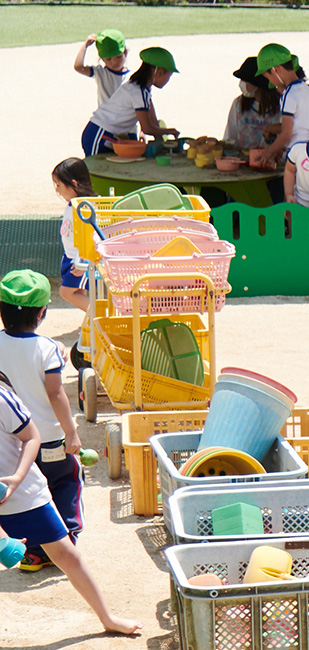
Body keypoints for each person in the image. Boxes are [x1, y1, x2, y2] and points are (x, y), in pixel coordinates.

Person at [0, 372, 142, 635]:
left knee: (67, 555)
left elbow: (32, 437)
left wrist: (18, 477)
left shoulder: (2, 398)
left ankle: (107, 617)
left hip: (24, 494)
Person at [0, 269, 86, 575]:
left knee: (31, 493)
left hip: (15, 441)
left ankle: (34, 553)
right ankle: (66, 543)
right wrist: (71, 433)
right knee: (66, 483)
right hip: (49, 438)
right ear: (43, 312)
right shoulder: (47, 349)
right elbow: (55, 393)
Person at [80, 46, 178, 157]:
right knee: (95, 170)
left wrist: (161, 143)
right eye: (168, 76)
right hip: (99, 134)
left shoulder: (140, 89)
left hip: (105, 134)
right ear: (159, 72)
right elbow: (147, 128)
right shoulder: (138, 92)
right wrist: (170, 132)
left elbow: (153, 122)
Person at [251, 44, 309, 170]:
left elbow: (286, 134)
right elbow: (298, 126)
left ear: (276, 70)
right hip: (308, 153)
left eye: (267, 76)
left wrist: (268, 151)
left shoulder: (289, 94)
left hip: (296, 155)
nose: (271, 83)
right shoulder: (304, 90)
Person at [49, 160, 95, 314]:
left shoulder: (85, 207)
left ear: (73, 184)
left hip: (81, 260)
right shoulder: (74, 204)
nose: (57, 189)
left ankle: (101, 314)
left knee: (67, 292)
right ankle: (91, 319)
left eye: (59, 185)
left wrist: (83, 261)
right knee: (79, 292)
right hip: (71, 257)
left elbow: (93, 237)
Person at [225, 57, 282, 152]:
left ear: (258, 84)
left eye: (246, 80)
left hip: (272, 160)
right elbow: (230, 137)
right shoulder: (238, 104)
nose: (241, 84)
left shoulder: (281, 105)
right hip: (242, 161)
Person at [73, 30, 127, 106]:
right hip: (105, 117)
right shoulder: (100, 73)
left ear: (125, 52)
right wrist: (85, 45)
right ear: (103, 59)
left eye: (119, 57)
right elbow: (78, 67)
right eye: (108, 59)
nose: (114, 62)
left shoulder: (131, 76)